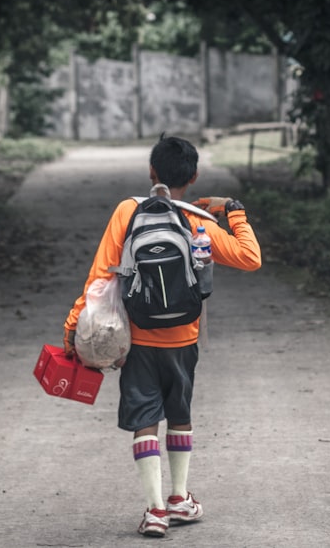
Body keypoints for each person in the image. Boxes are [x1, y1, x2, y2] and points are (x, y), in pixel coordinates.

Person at [62, 135, 262, 538]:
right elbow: (250, 257)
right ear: (194, 176)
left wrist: (73, 325)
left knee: (145, 420)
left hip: (137, 339)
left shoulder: (127, 210)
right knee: (180, 414)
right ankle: (179, 498)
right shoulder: (196, 219)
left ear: (152, 172)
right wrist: (233, 211)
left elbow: (101, 275)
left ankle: (154, 510)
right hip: (183, 339)